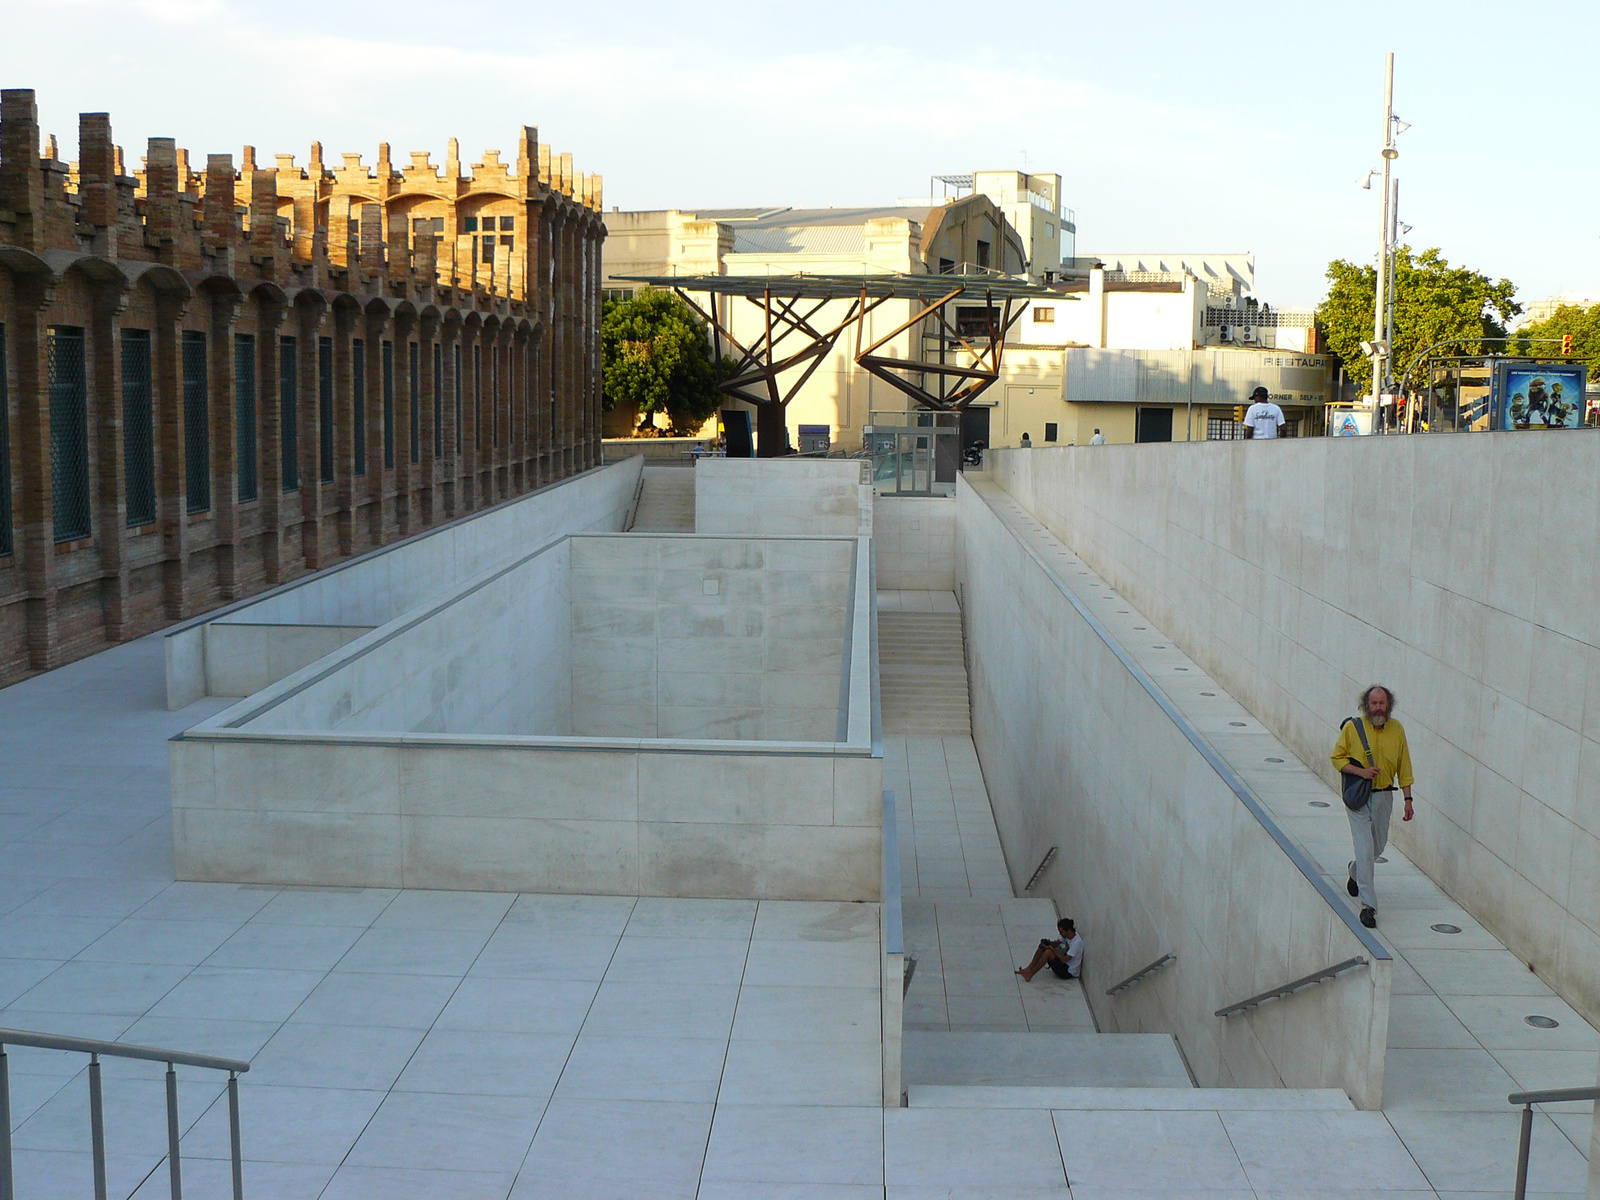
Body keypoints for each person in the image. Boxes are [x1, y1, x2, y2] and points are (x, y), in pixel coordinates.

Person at [1331, 685, 1415, 928]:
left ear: (1388, 705)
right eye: (1374, 703)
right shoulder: (1353, 728)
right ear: (1366, 706)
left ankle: (1355, 871)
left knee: (1377, 846)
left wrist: (1408, 800)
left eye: (1382, 703)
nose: (1378, 707)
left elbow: (1405, 767)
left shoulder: (1397, 729)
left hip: (1384, 797)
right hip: (1358, 797)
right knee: (1366, 849)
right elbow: (1337, 758)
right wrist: (1362, 772)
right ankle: (1369, 907)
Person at [1016, 918, 1083, 982]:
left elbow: (1065, 959)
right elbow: (1056, 943)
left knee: (1049, 952)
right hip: (1063, 964)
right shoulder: (1066, 936)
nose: (1060, 934)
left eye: (1061, 932)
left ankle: (1030, 974)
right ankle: (1029, 969)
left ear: (1068, 930)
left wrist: (1052, 949)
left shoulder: (1076, 942)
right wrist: (1048, 943)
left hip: (1068, 971)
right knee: (1043, 946)